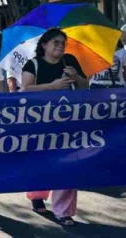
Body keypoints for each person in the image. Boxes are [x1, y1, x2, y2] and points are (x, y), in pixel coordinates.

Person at [20, 28, 88, 227]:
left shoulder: (70, 61)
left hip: (69, 119)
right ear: (44, 45)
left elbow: (85, 86)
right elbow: (25, 89)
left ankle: (63, 211)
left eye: (62, 43)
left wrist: (77, 77)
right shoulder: (33, 64)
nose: (60, 46)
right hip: (40, 121)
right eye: (56, 42)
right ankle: (37, 194)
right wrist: (53, 86)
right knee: (41, 161)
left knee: (69, 161)